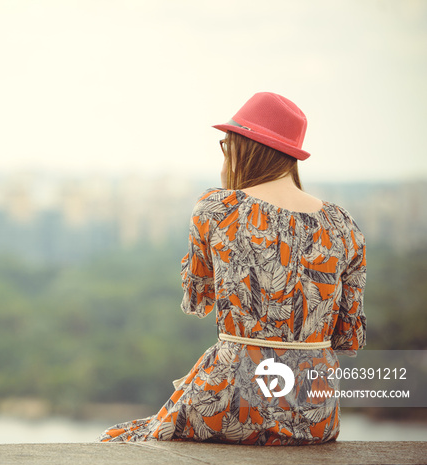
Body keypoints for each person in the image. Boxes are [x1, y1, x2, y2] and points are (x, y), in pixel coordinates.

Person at [98, 92, 366, 445]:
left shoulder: (218, 208)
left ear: (243, 148)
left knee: (121, 439)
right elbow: (349, 337)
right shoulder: (342, 223)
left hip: (234, 403)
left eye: (226, 145)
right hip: (315, 414)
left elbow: (197, 299)